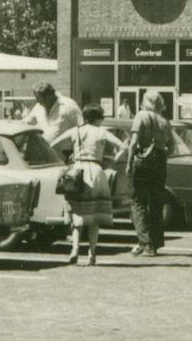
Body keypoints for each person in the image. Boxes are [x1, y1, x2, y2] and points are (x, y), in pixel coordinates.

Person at [58, 105, 125, 266]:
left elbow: (53, 144)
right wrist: (113, 161)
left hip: (77, 172)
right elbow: (124, 146)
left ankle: (74, 250)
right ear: (96, 118)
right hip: (96, 171)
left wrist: (65, 161)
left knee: (77, 215)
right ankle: (92, 253)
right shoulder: (101, 132)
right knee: (94, 217)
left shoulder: (75, 131)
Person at [126, 90, 173, 257]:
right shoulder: (164, 120)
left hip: (143, 159)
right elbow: (172, 146)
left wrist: (129, 163)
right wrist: (161, 156)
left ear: (145, 101)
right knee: (156, 202)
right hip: (160, 160)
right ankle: (155, 241)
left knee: (138, 201)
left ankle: (145, 243)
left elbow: (133, 143)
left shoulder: (141, 116)